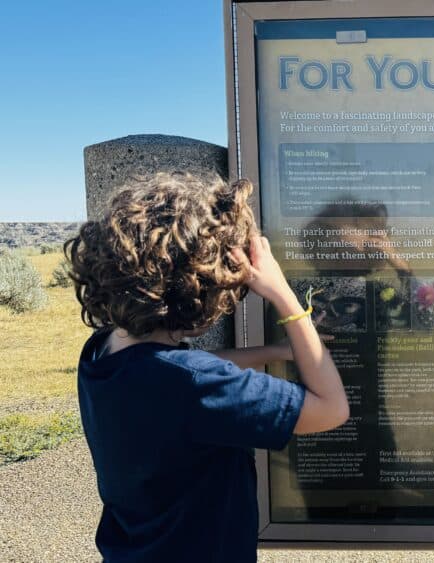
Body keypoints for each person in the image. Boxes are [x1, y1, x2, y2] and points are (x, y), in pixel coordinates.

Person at [65, 172, 349, 561]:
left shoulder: (101, 353)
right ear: (202, 286)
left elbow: (185, 370)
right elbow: (331, 408)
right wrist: (284, 296)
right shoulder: (193, 385)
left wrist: (277, 351)